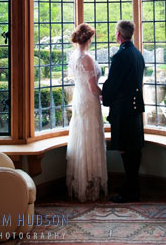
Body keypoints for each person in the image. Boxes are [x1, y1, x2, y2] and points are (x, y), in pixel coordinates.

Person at [102, 20, 145, 203]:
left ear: (119, 34)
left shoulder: (120, 56)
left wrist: (105, 96)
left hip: (124, 108)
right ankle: (131, 186)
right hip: (134, 107)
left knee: (126, 150)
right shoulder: (137, 53)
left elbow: (113, 82)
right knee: (133, 148)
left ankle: (131, 192)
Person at [66, 23, 108, 202]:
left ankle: (82, 181)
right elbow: (93, 87)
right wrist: (105, 93)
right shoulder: (87, 58)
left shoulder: (74, 56)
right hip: (89, 102)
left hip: (79, 100)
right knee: (91, 138)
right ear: (89, 39)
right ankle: (90, 182)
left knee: (81, 138)